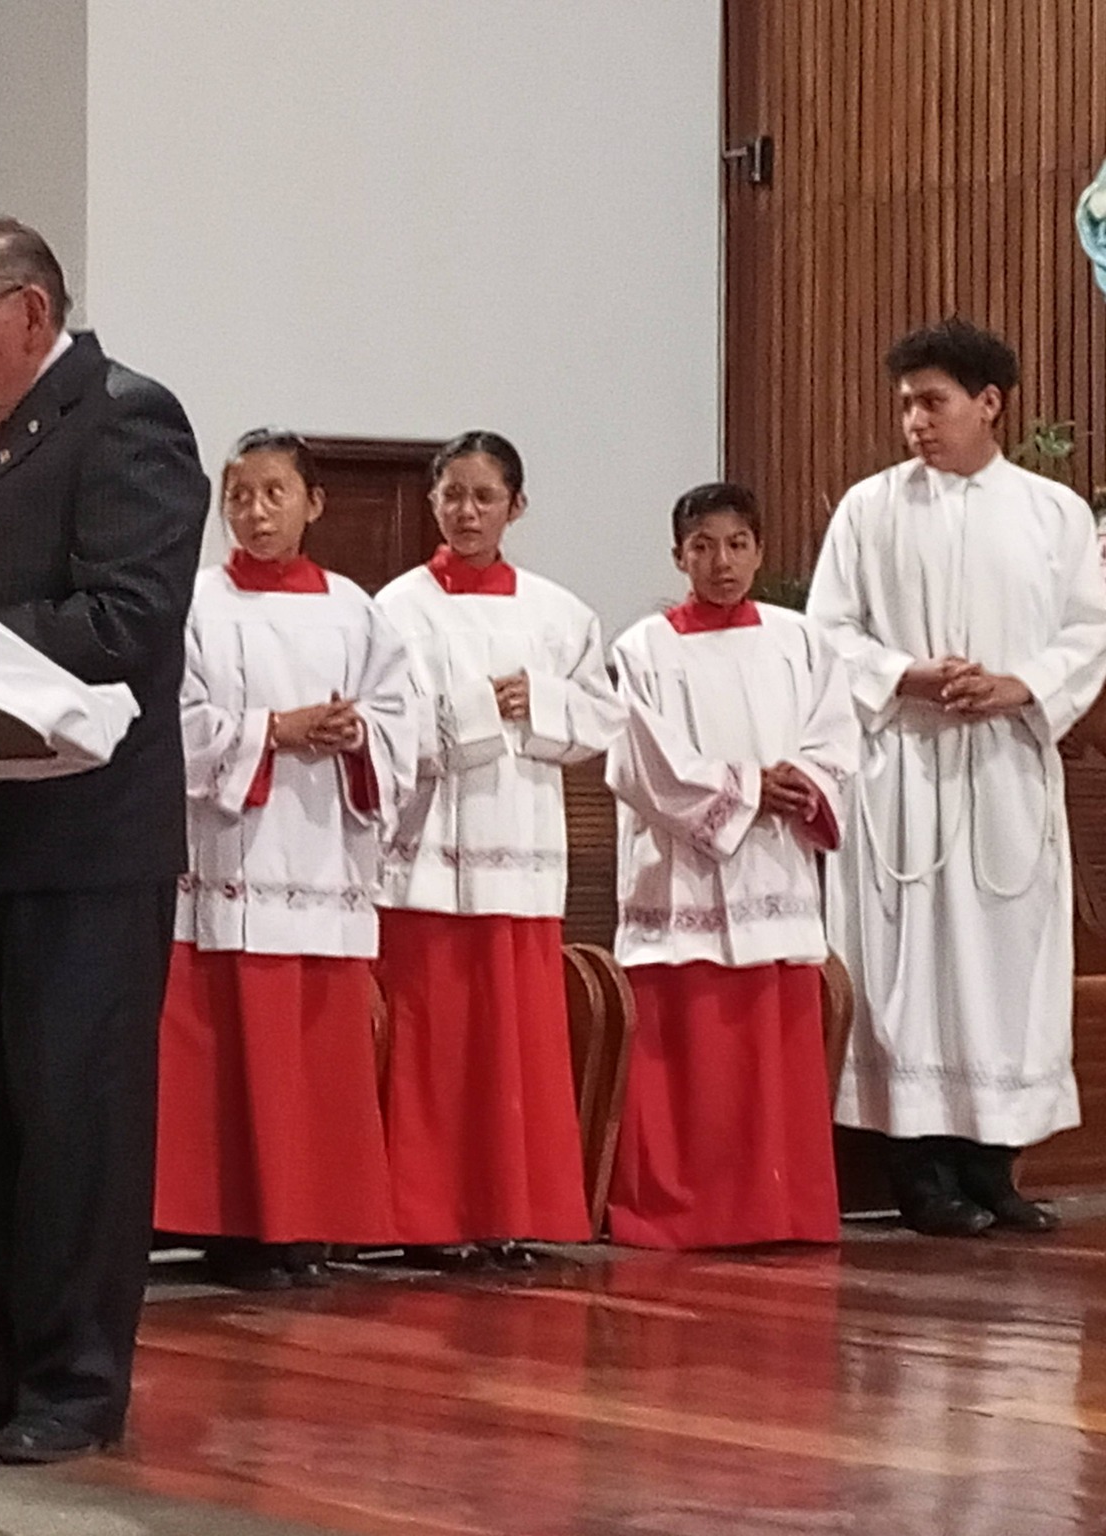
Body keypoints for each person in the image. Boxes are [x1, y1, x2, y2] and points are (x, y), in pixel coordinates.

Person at [0, 215, 207, 1463]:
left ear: (26, 315)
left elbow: (128, 620)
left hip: (84, 839)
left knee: (76, 1118)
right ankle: (1, 1363)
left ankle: (77, 1381)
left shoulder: (126, 420)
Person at [809, 318, 1106, 1236]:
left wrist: (1022, 684)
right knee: (912, 964)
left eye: (932, 403)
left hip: (1005, 762)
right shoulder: (869, 509)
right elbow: (827, 631)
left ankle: (994, 1168)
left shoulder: (1053, 513)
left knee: (1006, 962)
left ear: (989, 403)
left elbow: (1089, 630)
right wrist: (906, 674)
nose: (915, 422)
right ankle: (920, 1173)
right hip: (904, 766)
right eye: (905, 405)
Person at [154, 429, 419, 1291]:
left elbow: (403, 720)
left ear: (315, 502)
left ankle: (308, 1224)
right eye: (240, 496)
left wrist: (358, 733)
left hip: (323, 857)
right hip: (231, 858)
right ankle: (232, 1228)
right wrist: (276, 730)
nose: (256, 513)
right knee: (225, 1053)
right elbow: (174, 721)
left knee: (315, 1055)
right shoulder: (196, 603)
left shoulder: (355, 609)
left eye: (275, 494)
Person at [374, 431, 623, 1267]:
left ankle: (509, 1211)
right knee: (436, 1045)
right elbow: (389, 727)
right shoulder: (396, 609)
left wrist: (539, 700)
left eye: (485, 496)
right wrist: (483, 711)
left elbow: (602, 719)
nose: (467, 512)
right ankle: (428, 1217)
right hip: (430, 860)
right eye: (452, 495)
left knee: (515, 1047)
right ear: (432, 501)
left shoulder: (559, 613)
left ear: (517, 506)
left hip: (520, 850)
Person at [604, 482, 859, 1248]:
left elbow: (837, 738)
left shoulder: (800, 640)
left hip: (774, 874)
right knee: (692, 1060)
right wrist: (750, 789)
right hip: (683, 878)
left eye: (738, 544)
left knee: (771, 1058)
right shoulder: (643, 649)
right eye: (703, 546)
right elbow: (644, 766)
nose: (722, 562)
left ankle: (779, 1210)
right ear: (678, 555)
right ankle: (682, 1215)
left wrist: (802, 783)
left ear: (759, 550)